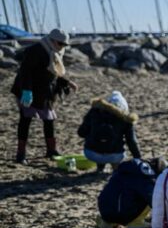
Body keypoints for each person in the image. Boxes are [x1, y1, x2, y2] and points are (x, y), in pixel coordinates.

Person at [11, 28, 77, 164]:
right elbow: (25, 71)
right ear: (52, 40)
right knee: (25, 119)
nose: (63, 46)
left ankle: (51, 150)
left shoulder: (57, 51)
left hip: (45, 91)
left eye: (65, 45)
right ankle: (21, 154)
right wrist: (27, 91)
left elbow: (54, 73)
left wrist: (67, 82)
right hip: (28, 89)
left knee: (49, 120)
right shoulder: (36, 50)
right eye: (61, 43)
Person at [76, 90, 142, 173]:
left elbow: (81, 133)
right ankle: (116, 169)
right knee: (116, 151)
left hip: (91, 154)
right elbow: (131, 142)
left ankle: (100, 167)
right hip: (115, 155)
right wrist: (138, 158)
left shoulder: (95, 112)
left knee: (98, 145)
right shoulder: (126, 120)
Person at [96, 157, 164, 228]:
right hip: (121, 214)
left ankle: (108, 222)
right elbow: (153, 200)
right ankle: (135, 222)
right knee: (153, 194)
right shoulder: (146, 176)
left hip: (105, 211)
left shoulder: (127, 169)